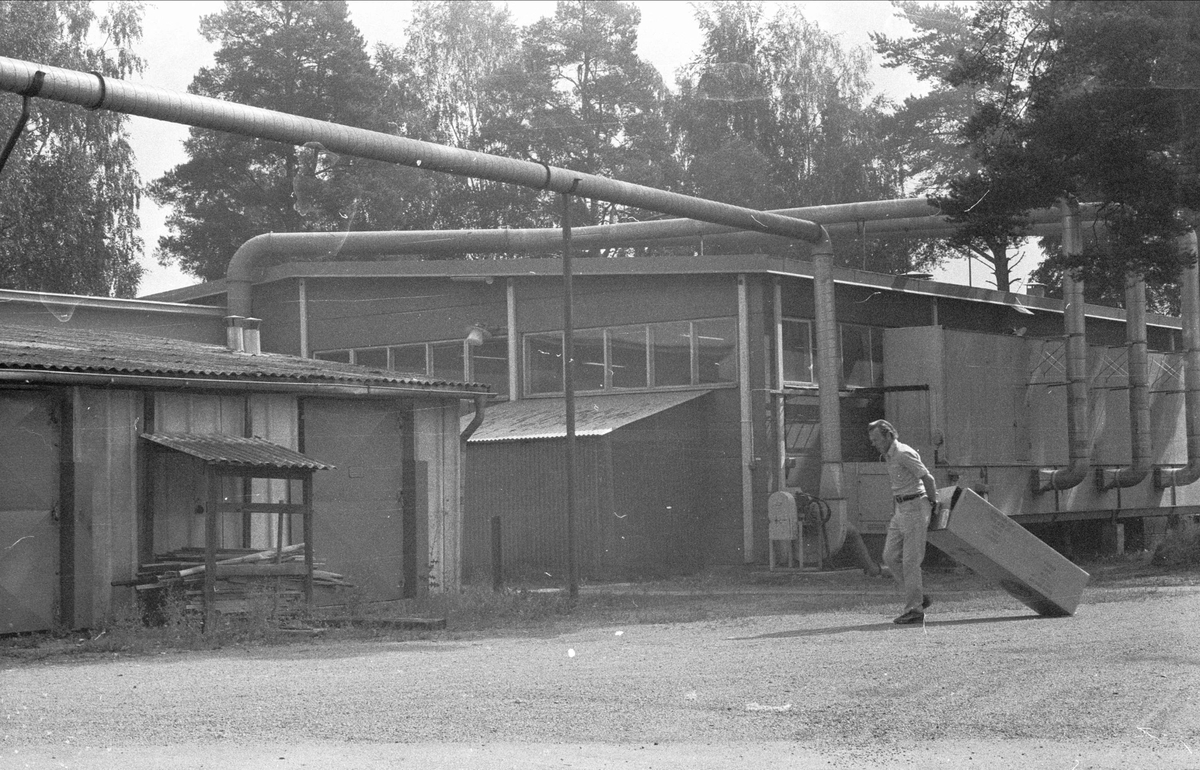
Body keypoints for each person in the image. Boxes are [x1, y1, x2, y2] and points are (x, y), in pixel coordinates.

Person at [867, 419, 944, 625]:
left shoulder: (903, 453)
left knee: (911, 561)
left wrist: (933, 504)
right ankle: (918, 597)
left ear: (889, 436)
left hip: (915, 507)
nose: (874, 443)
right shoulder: (889, 456)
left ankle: (915, 609)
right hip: (901, 509)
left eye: (876, 439)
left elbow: (928, 479)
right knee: (890, 557)